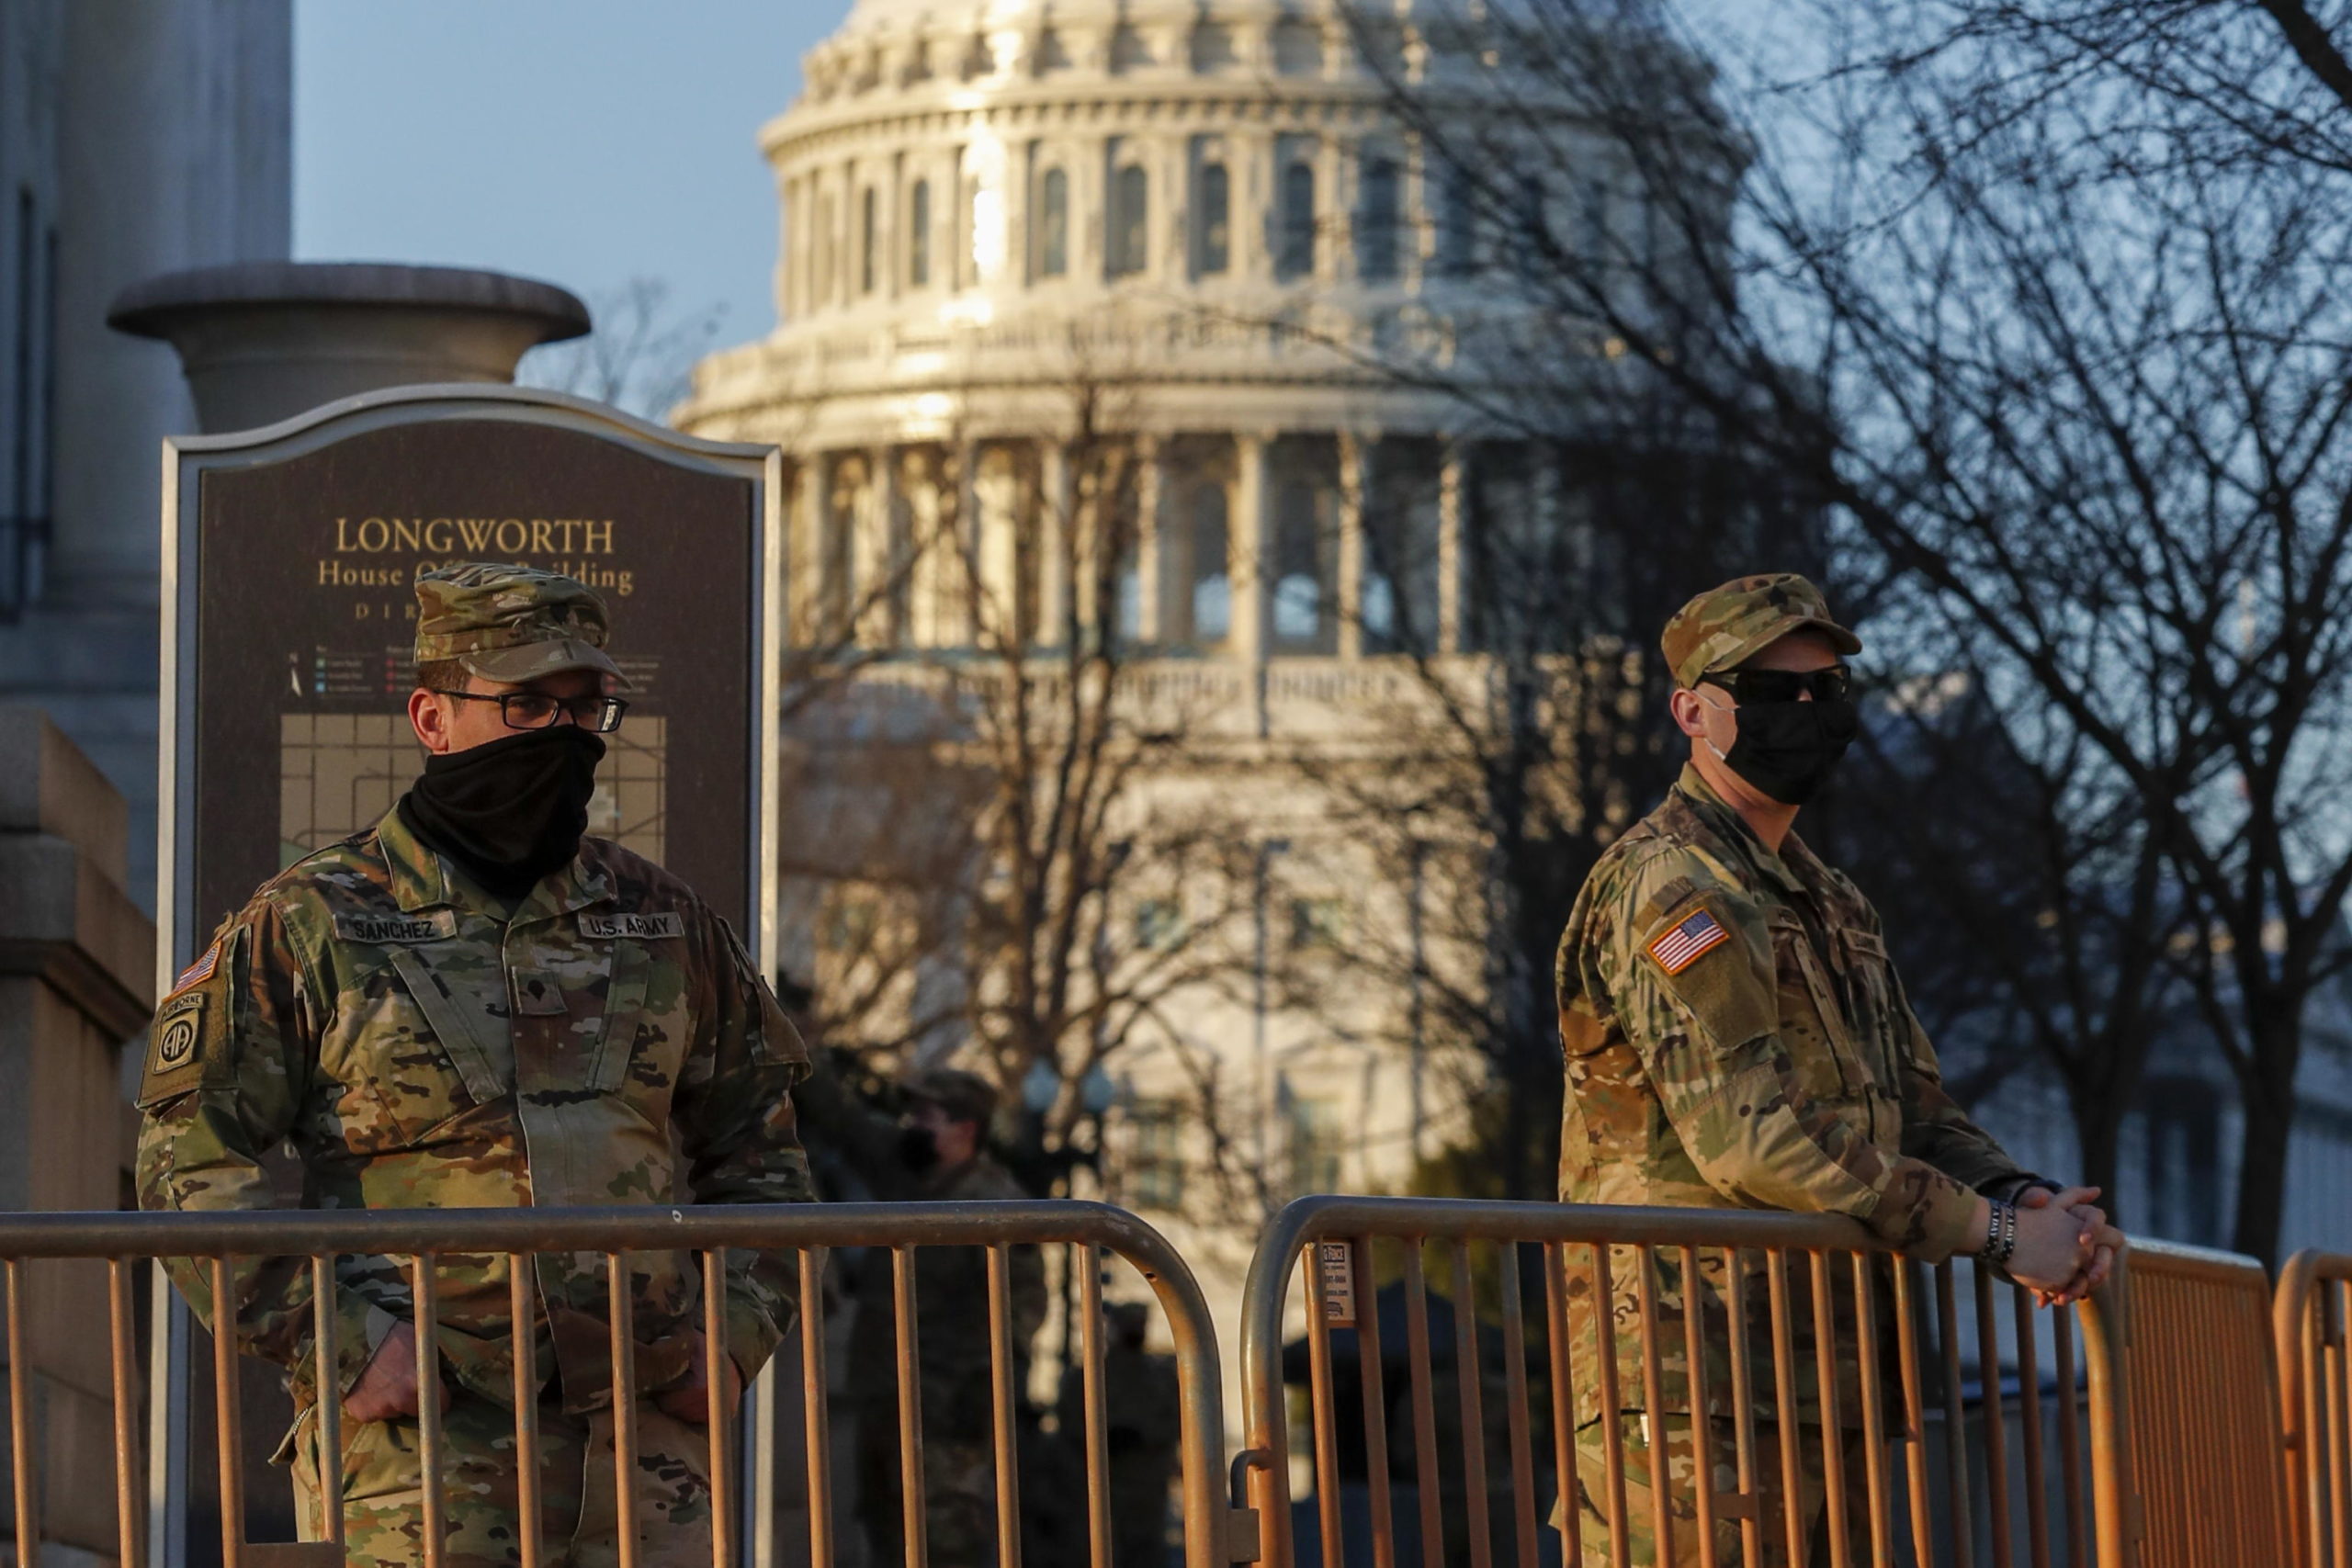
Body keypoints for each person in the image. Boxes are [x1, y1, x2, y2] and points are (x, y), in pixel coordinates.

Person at [134, 562, 815, 1567]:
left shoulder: (669, 926)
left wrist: (733, 1337)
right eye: (526, 702)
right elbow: (185, 1162)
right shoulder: (311, 923)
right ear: (433, 718)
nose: (561, 735)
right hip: (416, 1464)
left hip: (646, 1468)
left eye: (586, 709)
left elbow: (764, 1159)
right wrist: (345, 1345)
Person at [1553, 573, 2121, 1566]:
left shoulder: (1832, 901)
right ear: (1694, 710)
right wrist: (1991, 1236)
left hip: (1827, 1374)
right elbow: (1751, 1138)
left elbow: (1911, 1108)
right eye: (1774, 694)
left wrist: (2026, 1202)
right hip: (1693, 1389)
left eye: (1828, 692)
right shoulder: (1674, 886)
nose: (1808, 715)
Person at [805, 1066, 1046, 1566]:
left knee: (944, 1541)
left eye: (926, 1116)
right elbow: (845, 1121)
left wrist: (987, 1389)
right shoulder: (904, 1174)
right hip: (884, 1397)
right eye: (911, 1114)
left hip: (947, 1411)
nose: (911, 1125)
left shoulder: (996, 1205)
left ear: (965, 1129)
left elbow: (1021, 1309)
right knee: (886, 1533)